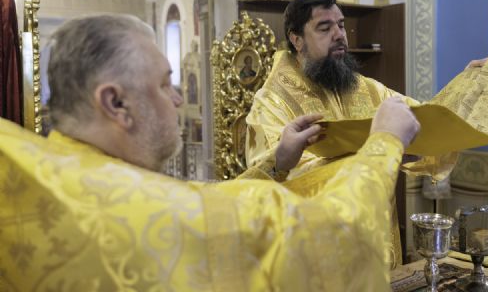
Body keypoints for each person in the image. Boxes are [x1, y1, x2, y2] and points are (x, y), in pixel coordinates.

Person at [0, 14, 420, 291]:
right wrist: (386, 141)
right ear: (116, 103)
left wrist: (276, 163)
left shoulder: (50, 179)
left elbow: (200, 200)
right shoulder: (134, 209)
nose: (178, 99)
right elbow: (331, 235)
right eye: (165, 84)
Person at [246, 0, 469, 181]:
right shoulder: (272, 102)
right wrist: (379, 155)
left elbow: (423, 120)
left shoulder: (368, 89)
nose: (339, 35)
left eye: (341, 25)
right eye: (324, 28)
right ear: (297, 40)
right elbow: (278, 175)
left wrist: (466, 87)